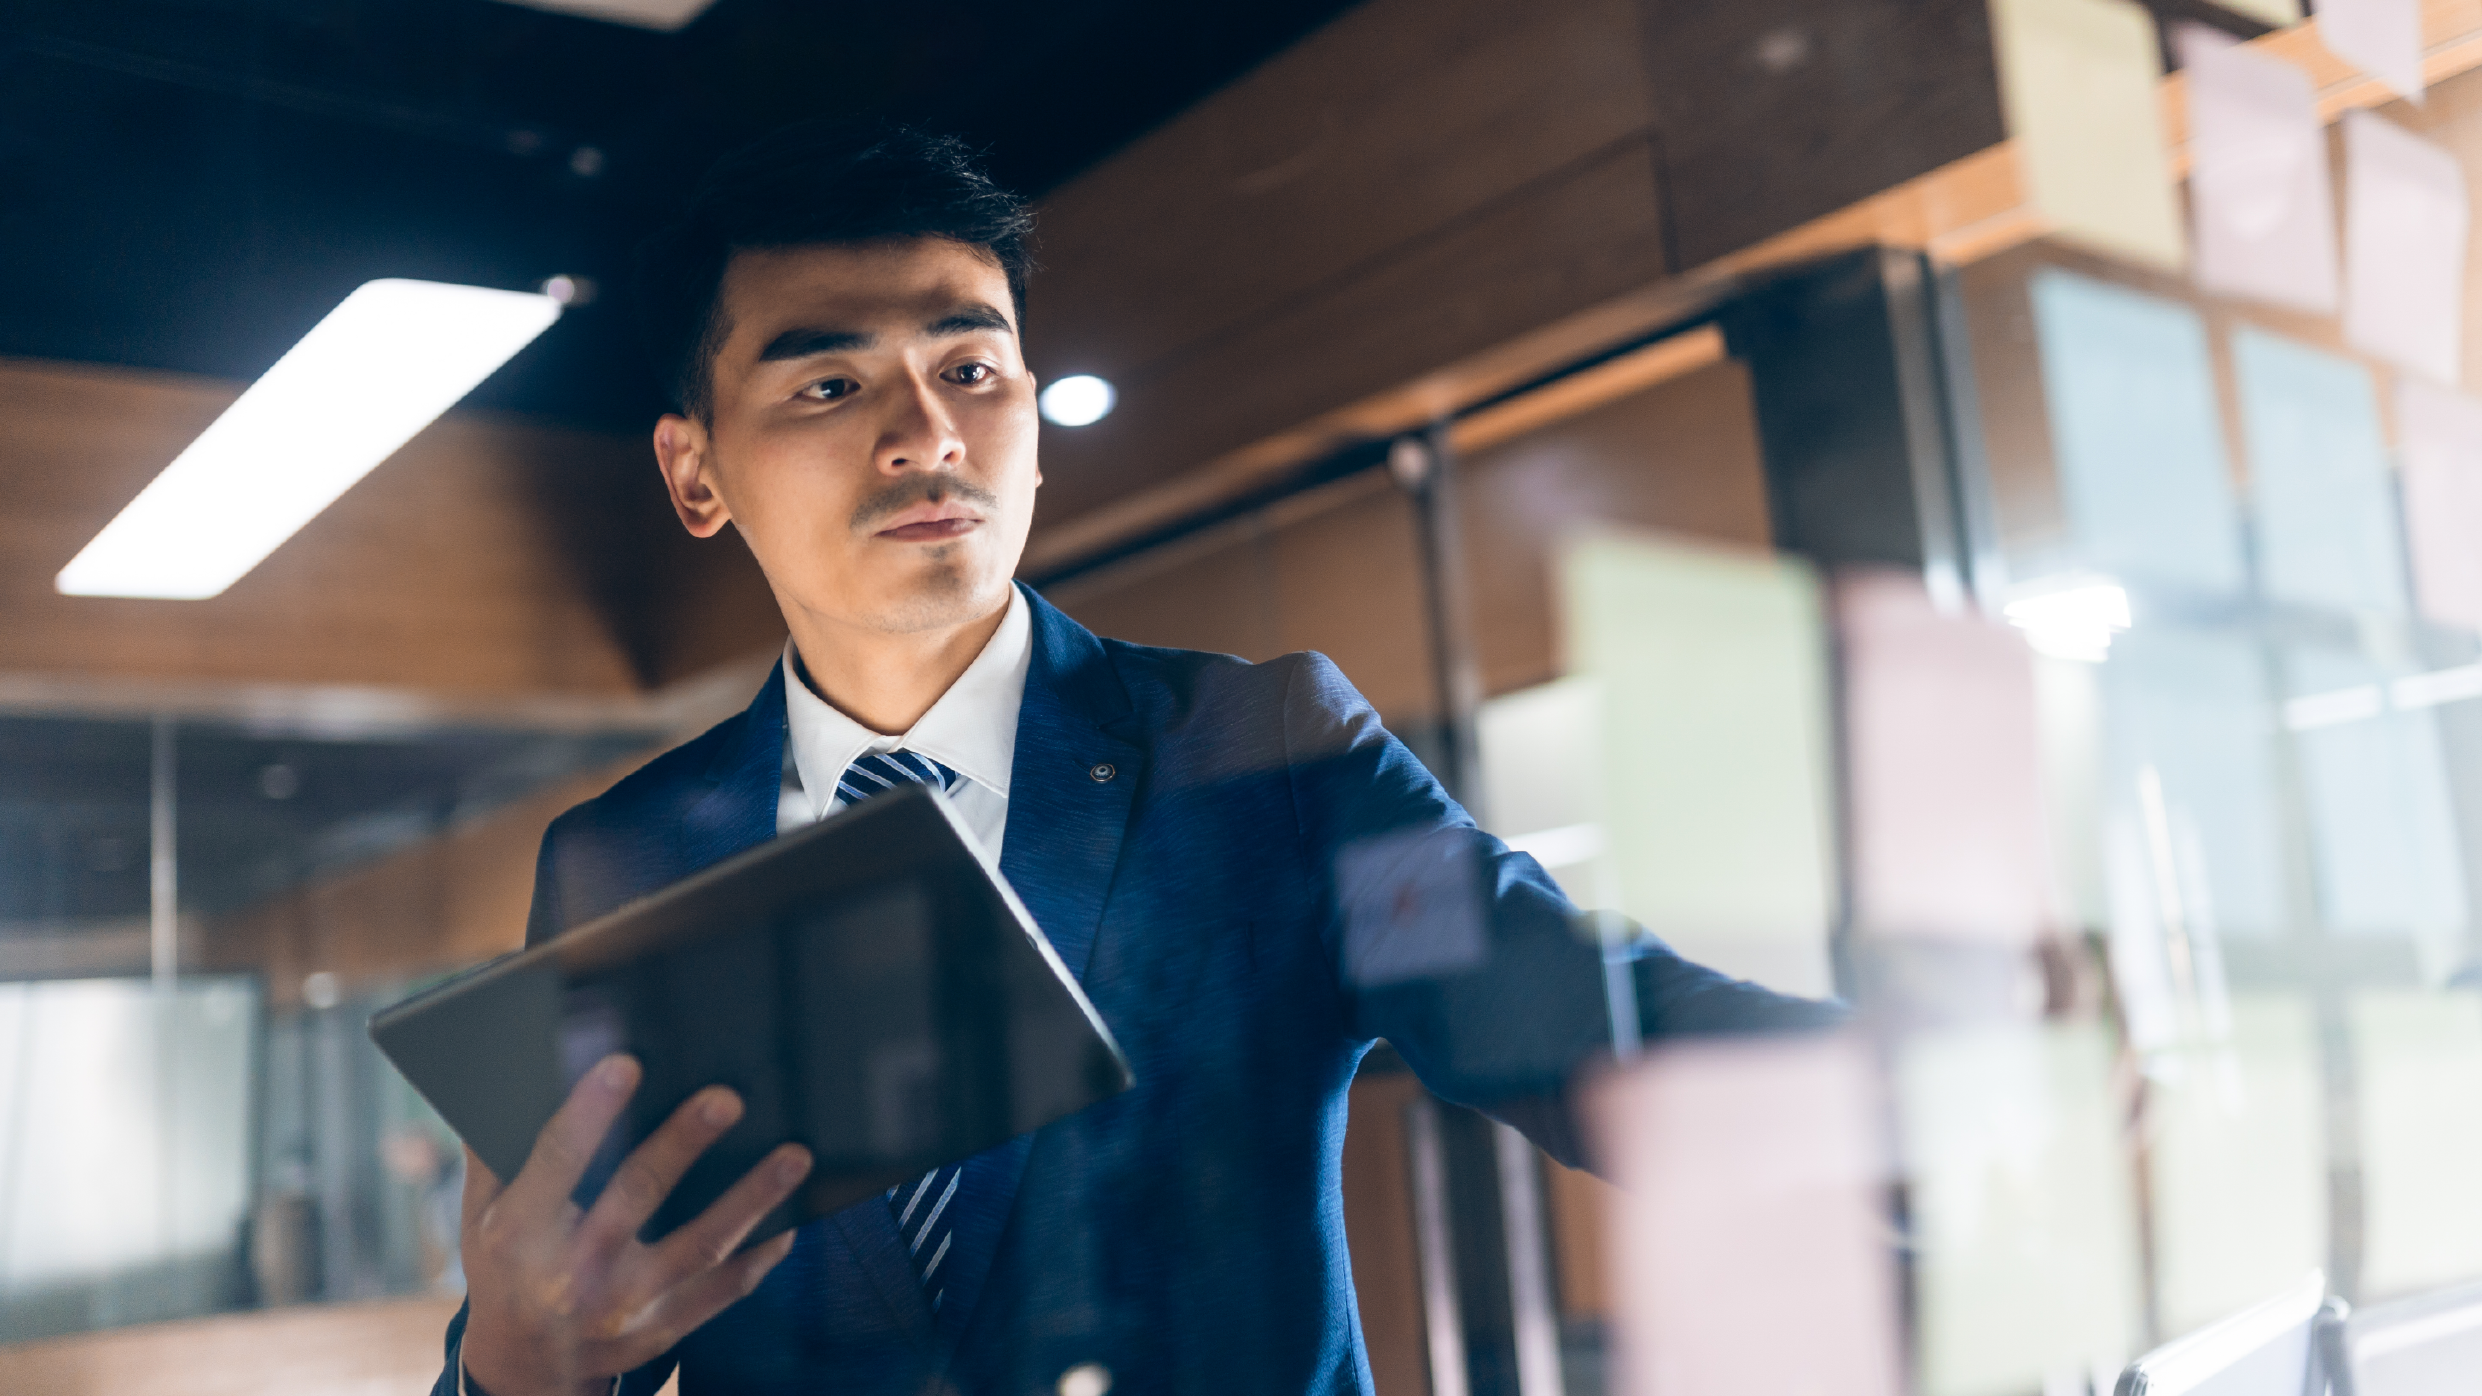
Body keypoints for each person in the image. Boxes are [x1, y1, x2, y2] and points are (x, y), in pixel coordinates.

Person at [437, 120, 1838, 1396]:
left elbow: (1597, 1032)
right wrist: (507, 1367)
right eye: (826, 384)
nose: (926, 433)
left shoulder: (1259, 755)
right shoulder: (624, 858)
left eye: (969, 368)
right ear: (695, 474)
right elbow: (569, 1305)